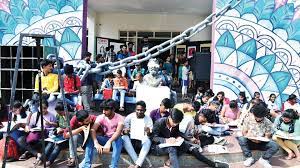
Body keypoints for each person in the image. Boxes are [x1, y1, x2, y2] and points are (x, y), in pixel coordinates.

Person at [151, 108, 229, 168]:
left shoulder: (176, 122)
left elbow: (177, 133)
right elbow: (153, 138)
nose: (175, 124)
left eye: (177, 123)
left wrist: (180, 138)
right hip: (157, 147)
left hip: (171, 143)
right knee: (173, 149)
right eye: (174, 122)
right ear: (170, 117)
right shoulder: (160, 122)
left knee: (188, 146)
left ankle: (213, 164)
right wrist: (165, 140)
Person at [81, 99, 124, 168]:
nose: (104, 112)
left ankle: (113, 166)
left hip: (115, 142)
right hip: (105, 139)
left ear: (113, 109)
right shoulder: (101, 117)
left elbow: (118, 132)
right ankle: (86, 165)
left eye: (106, 110)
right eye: (103, 110)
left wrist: (109, 142)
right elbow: (93, 129)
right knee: (90, 137)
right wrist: (96, 142)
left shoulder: (120, 118)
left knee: (118, 139)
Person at [237, 103, 279, 168]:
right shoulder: (248, 119)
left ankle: (264, 159)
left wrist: (263, 139)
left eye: (261, 118)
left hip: (261, 143)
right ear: (254, 114)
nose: (258, 119)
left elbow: (267, 136)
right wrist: (249, 136)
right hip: (250, 142)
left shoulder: (267, 122)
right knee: (241, 139)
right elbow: (244, 132)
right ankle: (249, 158)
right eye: (257, 117)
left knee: (275, 145)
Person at [122, 101, 153, 168]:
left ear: (145, 110)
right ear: (135, 109)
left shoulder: (148, 119)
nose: (139, 112)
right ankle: (138, 164)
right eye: (137, 110)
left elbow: (149, 135)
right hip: (131, 142)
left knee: (148, 140)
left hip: (141, 143)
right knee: (124, 138)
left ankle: (137, 165)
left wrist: (148, 132)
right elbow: (123, 131)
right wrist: (125, 131)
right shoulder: (129, 117)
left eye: (141, 110)